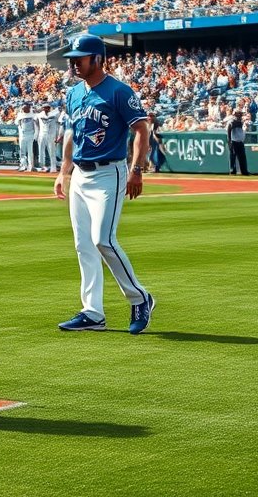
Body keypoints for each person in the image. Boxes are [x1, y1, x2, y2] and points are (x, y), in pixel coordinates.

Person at [54, 35, 155, 335]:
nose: (74, 62)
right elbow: (71, 133)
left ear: (98, 59)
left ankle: (140, 298)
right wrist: (63, 171)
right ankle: (92, 312)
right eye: (73, 58)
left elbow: (141, 130)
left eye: (80, 58)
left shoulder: (119, 92)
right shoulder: (73, 94)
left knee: (103, 240)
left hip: (109, 172)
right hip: (81, 175)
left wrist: (137, 170)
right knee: (83, 244)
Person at [36, 103, 62, 172]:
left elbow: (59, 120)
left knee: (52, 151)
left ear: (49, 108)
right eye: (44, 107)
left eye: (47, 107)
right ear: (42, 108)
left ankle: (53, 167)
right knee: (41, 151)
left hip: (51, 135)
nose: (46, 109)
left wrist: (57, 135)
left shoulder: (55, 114)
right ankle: (42, 166)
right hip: (42, 134)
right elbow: (35, 122)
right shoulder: (39, 115)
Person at [15, 102, 38, 171]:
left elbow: (36, 125)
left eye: (26, 108)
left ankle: (31, 166)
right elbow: (16, 123)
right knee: (22, 151)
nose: (25, 109)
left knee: (30, 152)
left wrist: (35, 135)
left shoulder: (33, 115)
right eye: (23, 108)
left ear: (29, 108)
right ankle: (23, 165)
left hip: (30, 134)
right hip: (23, 135)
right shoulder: (20, 115)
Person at [226, 110, 250, 175]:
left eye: (240, 115)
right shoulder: (231, 122)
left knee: (242, 157)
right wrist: (229, 142)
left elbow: (244, 129)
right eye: (238, 115)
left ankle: (244, 171)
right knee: (233, 157)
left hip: (240, 141)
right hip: (234, 141)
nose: (240, 116)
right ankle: (232, 170)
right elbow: (228, 133)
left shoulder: (241, 122)